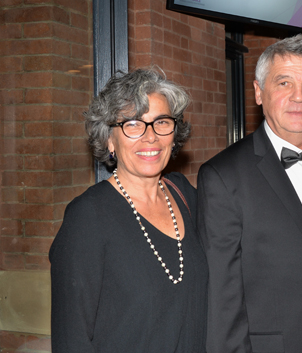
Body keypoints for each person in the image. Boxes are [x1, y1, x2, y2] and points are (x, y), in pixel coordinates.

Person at [198, 34, 302, 352]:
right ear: (259, 93)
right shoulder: (223, 176)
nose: (299, 97)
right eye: (284, 83)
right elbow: (222, 301)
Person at [50, 68, 208, 352]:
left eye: (161, 122)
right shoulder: (87, 218)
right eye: (133, 124)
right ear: (110, 139)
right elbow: (71, 338)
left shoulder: (186, 196)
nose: (151, 137)